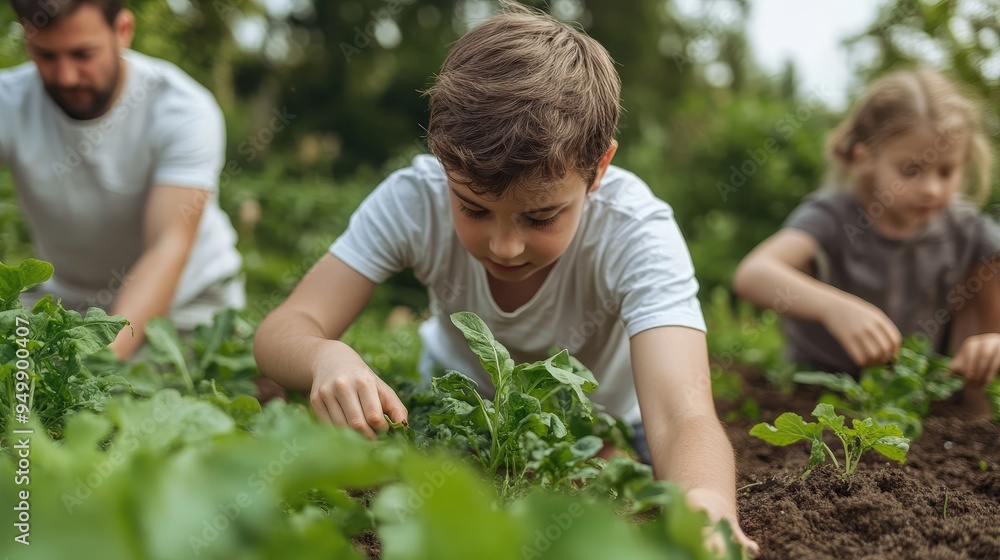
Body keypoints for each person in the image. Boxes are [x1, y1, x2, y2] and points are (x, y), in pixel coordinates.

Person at [254, 3, 757, 552]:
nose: (505, 246)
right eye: (472, 208)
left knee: (602, 496)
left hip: (608, 426)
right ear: (440, 155)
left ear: (599, 168)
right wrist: (327, 356)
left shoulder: (637, 232)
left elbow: (682, 413)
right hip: (454, 416)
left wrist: (705, 504)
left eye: (540, 217)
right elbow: (286, 327)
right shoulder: (413, 199)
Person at [733, 68, 998, 413]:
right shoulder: (832, 216)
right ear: (865, 158)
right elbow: (753, 273)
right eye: (910, 170)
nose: (932, 188)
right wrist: (833, 308)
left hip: (912, 399)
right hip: (818, 394)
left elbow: (990, 326)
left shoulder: (968, 230)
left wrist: (991, 346)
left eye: (946, 171)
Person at [0, 0, 244, 360]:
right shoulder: (9, 101)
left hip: (189, 305)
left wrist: (96, 367)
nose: (66, 76)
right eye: (45, 55)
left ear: (123, 31)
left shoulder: (182, 109)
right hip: (66, 301)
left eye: (83, 54)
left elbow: (167, 247)